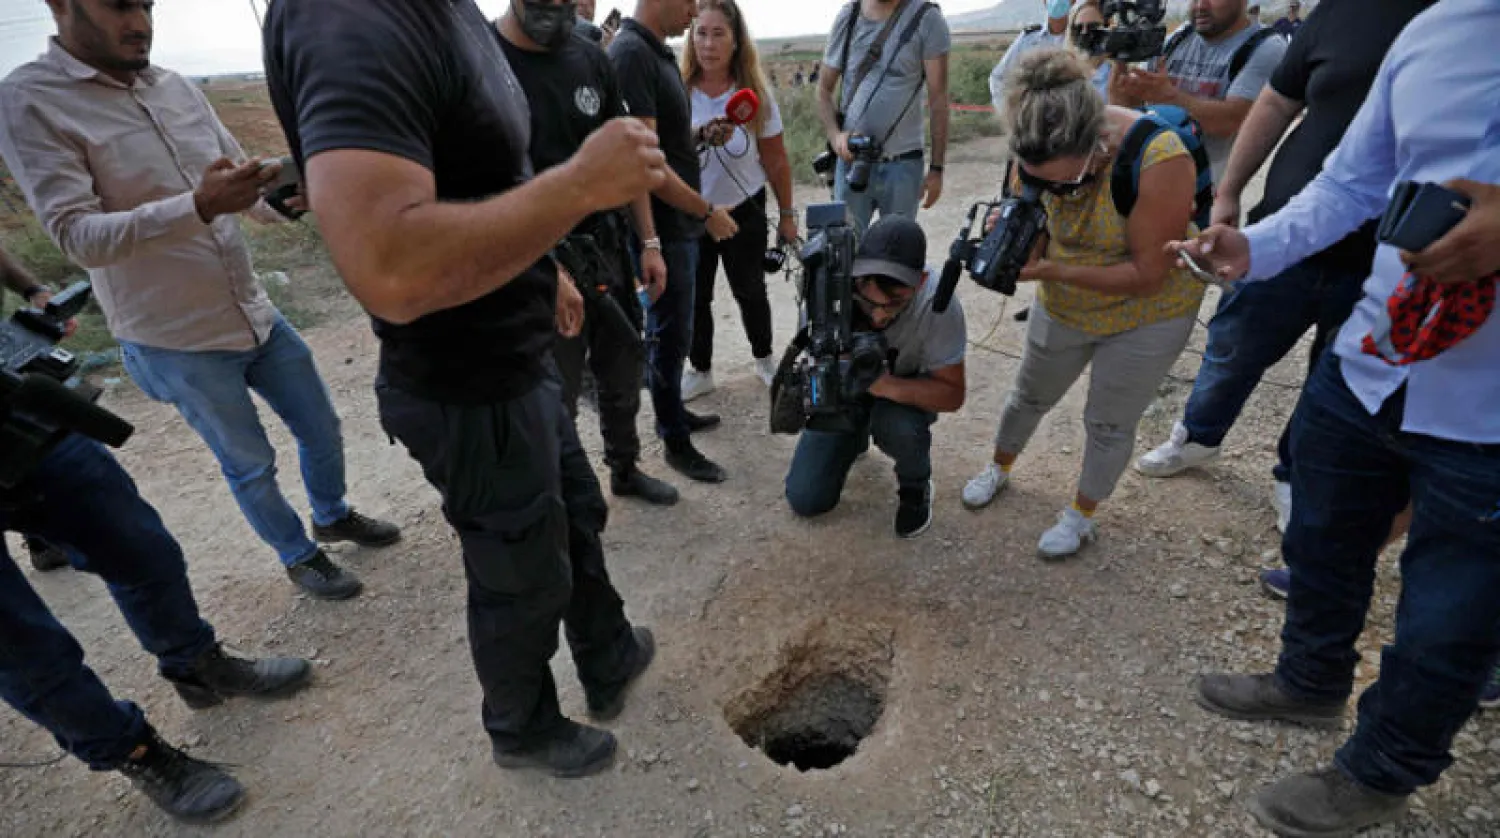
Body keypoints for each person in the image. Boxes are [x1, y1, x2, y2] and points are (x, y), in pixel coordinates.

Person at [264, 0, 663, 779]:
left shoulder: (447, 12)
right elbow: (392, 268)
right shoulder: (350, 14)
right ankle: (523, 728)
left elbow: (480, 175)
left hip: (520, 351)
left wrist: (546, 268)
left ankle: (606, 652)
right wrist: (578, 186)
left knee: (577, 515)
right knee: (520, 575)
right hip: (465, 382)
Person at [1172, 2, 1499, 833]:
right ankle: (1310, 682)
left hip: (1488, 411)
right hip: (1373, 358)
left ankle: (1382, 770)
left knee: (1450, 612)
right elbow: (1352, 180)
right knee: (1321, 535)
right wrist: (1258, 247)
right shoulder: (1440, 28)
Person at [0, 0, 401, 603]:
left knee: (322, 427)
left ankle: (331, 514)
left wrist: (280, 199)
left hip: (253, 311)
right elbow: (78, 236)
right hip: (174, 337)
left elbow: (242, 185)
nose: (140, 21)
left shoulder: (176, 86)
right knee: (249, 461)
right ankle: (298, 555)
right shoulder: (30, 99)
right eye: (119, 5)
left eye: (147, 4)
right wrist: (199, 205)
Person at [1136, 0, 1434, 536]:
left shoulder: (1463, 21)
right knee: (1232, 348)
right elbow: (1277, 102)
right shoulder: (1343, 11)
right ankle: (1198, 436)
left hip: (1392, 262)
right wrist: (1229, 192)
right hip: (1288, 234)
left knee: (1329, 382)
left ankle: (1293, 476)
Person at [961, 50, 1207, 560]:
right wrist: (1014, 235)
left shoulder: (1160, 159)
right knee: (1028, 395)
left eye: (1063, 183)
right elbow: (1036, 220)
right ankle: (999, 468)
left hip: (1148, 314)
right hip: (1067, 304)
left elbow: (1148, 275)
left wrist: (1050, 270)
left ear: (1096, 146)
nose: (1051, 190)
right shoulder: (1033, 146)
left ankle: (1081, 515)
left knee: (1109, 422)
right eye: (1039, 179)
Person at [495, 0, 680, 508]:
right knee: (556, 392)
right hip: (535, 260)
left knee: (622, 369)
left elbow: (629, 157)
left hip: (605, 248)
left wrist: (649, 243)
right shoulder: (485, 60)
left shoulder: (590, 57)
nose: (554, 10)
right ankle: (562, 498)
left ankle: (625, 467)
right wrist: (547, 269)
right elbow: (483, 181)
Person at [610, 0, 738, 484]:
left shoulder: (656, 52)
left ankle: (675, 414)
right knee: (666, 335)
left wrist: (698, 135)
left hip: (677, 226)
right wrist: (702, 213)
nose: (695, 11)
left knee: (677, 331)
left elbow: (662, 139)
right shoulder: (630, 55)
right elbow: (644, 164)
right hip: (665, 228)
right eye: (690, 1)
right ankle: (674, 441)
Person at [783, 215, 966, 539]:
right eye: (869, 302)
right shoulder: (827, 291)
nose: (880, 314)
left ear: (921, 282)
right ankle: (853, 436)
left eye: (896, 302)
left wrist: (885, 386)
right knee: (806, 498)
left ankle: (916, 485)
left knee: (898, 427)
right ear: (855, 275)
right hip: (845, 392)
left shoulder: (938, 302)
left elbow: (952, 395)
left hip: (901, 393)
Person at [679, 0, 797, 402]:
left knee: (750, 290)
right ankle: (700, 370)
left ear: (735, 41)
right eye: (701, 33)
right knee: (696, 296)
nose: (708, 44)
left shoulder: (755, 95)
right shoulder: (677, 90)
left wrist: (787, 216)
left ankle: (764, 359)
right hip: (692, 211)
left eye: (718, 34)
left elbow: (776, 159)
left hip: (745, 207)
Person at [1111, 0, 1286, 182]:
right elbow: (1125, 107)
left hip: (1207, 187)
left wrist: (1169, 97)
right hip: (1151, 179)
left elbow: (1231, 121)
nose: (1200, 6)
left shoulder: (1267, 47)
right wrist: (1120, 59)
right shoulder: (1179, 37)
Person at [817, 0, 951, 235]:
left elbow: (938, 100)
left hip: (903, 165)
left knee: (896, 251)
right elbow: (823, 91)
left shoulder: (927, 19)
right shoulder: (849, 16)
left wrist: (937, 169)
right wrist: (836, 136)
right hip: (852, 162)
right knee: (845, 250)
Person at [989, 0, 1073, 113]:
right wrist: (1008, 114)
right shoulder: (1028, 39)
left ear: (1073, 1)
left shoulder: (1079, 39)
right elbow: (998, 77)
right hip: (1033, 119)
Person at [1064, 0, 1112, 100]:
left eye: (1092, 27)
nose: (1084, 33)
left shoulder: (1118, 76)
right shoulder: (1064, 76)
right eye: (1079, 28)